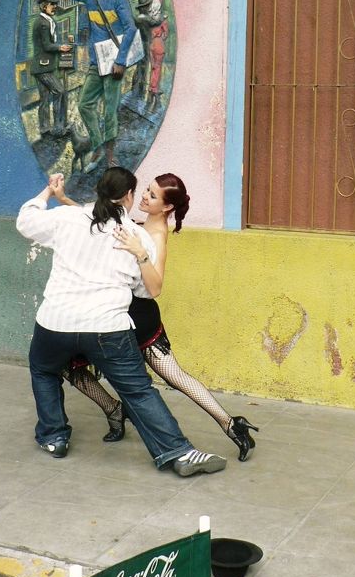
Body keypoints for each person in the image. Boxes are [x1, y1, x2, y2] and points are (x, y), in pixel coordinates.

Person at [16, 166, 227, 477]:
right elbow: (146, 290)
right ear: (128, 196)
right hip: (108, 327)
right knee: (139, 391)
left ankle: (53, 436)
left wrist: (49, 192)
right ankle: (178, 452)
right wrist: (139, 257)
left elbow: (26, 221)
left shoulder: (66, 218)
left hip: (55, 322)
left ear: (99, 191)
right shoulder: (137, 236)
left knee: (43, 370)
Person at [53, 172, 259, 462]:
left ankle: (117, 410)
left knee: (73, 363)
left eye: (152, 195)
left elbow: (156, 286)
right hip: (123, 311)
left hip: (135, 315)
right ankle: (230, 423)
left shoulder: (157, 234)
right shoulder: (145, 222)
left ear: (166, 208)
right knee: (172, 376)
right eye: (146, 190)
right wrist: (63, 200)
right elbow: (99, 220)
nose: (144, 197)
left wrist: (140, 254)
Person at [64, 0, 137, 172]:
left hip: (114, 64)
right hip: (97, 63)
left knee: (110, 110)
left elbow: (130, 28)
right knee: (85, 104)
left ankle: (110, 155)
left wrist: (121, 60)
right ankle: (97, 145)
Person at [30, 0, 72, 138]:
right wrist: (60, 47)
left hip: (42, 66)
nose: (55, 6)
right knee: (60, 91)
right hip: (43, 67)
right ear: (43, 6)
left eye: (55, 4)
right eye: (52, 4)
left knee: (45, 98)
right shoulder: (42, 23)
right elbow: (47, 46)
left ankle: (44, 129)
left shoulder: (47, 20)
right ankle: (59, 128)